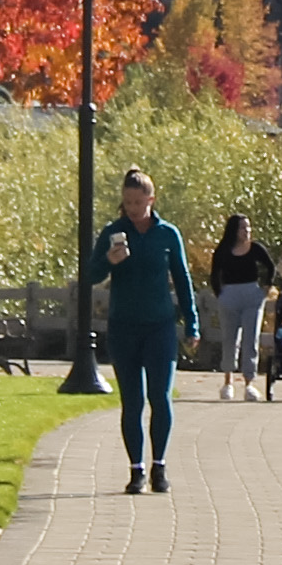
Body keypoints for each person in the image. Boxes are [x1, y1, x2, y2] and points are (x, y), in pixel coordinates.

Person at [94, 168, 200, 492]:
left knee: (160, 397)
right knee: (133, 401)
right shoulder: (113, 232)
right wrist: (109, 262)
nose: (133, 208)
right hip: (124, 327)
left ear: (151, 200)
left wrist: (192, 323)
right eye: (127, 202)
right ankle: (136, 470)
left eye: (139, 202)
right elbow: (90, 274)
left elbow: (182, 280)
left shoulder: (167, 235)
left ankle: (159, 467)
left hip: (160, 327)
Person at [210, 207, 278, 399]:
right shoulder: (223, 250)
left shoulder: (256, 248)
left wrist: (266, 286)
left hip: (252, 295)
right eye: (242, 228)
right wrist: (220, 294)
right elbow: (215, 273)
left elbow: (270, 266)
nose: (246, 231)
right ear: (234, 229)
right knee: (230, 339)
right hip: (229, 295)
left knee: (251, 339)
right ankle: (227, 382)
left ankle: (249, 383)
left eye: (248, 227)